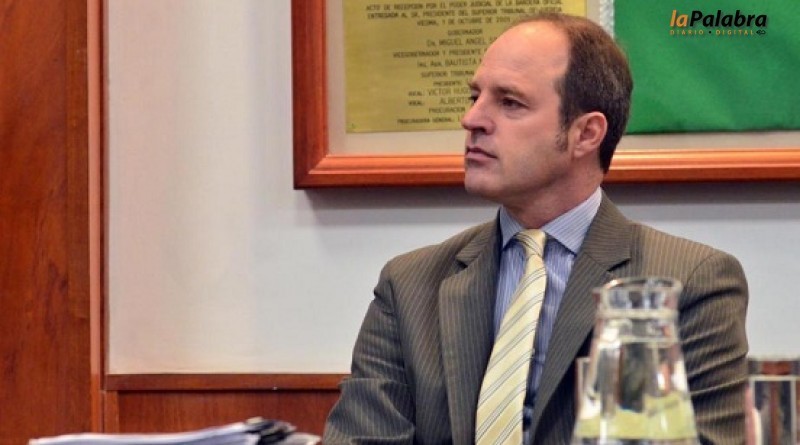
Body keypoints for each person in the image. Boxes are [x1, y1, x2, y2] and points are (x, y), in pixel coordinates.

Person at [323, 12, 749, 445]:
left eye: (510, 102)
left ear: (586, 134)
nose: (472, 119)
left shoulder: (690, 282)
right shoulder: (409, 285)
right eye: (475, 96)